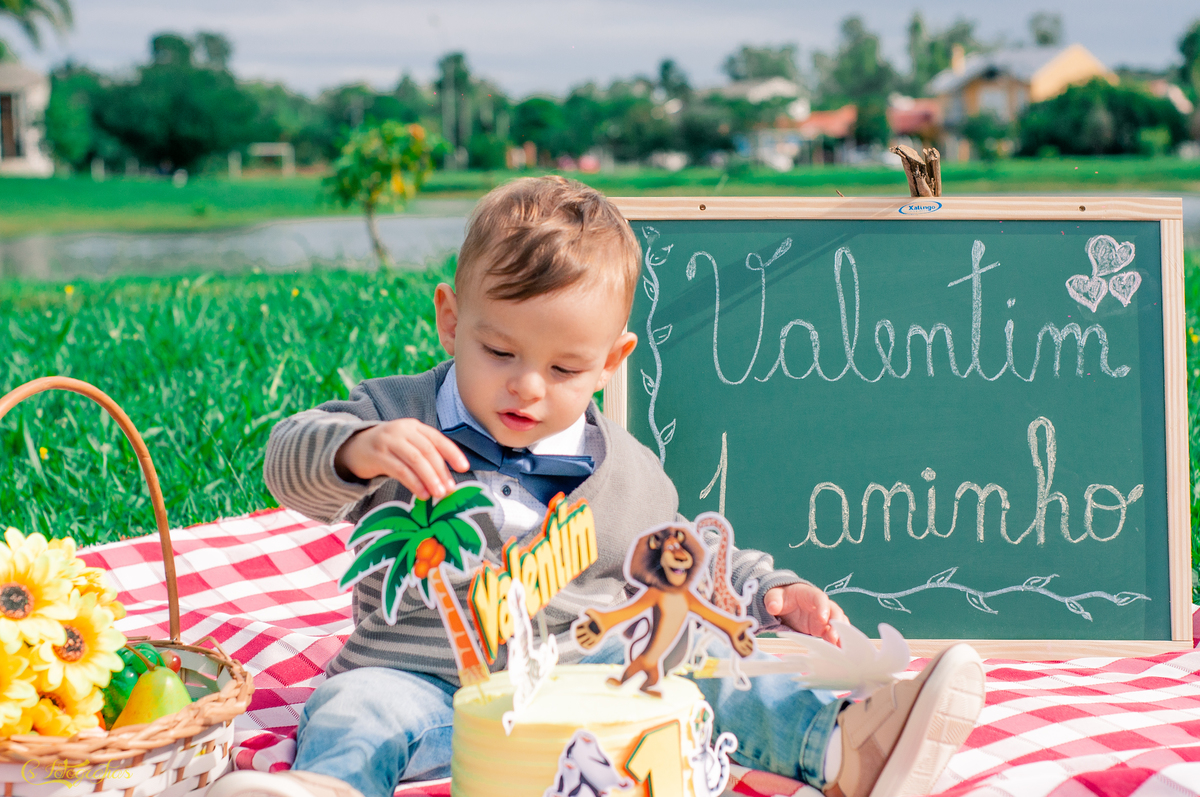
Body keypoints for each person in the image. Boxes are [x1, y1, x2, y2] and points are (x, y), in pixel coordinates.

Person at [211, 176, 985, 797]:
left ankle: (847, 746)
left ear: (611, 361)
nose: (527, 386)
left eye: (564, 368)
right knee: (355, 708)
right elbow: (286, 460)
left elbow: (688, 557)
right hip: (418, 680)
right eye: (499, 351)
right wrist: (356, 449)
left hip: (577, 684)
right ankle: (328, 786)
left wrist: (772, 590)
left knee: (697, 665)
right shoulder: (395, 414)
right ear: (451, 320)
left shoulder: (625, 468)